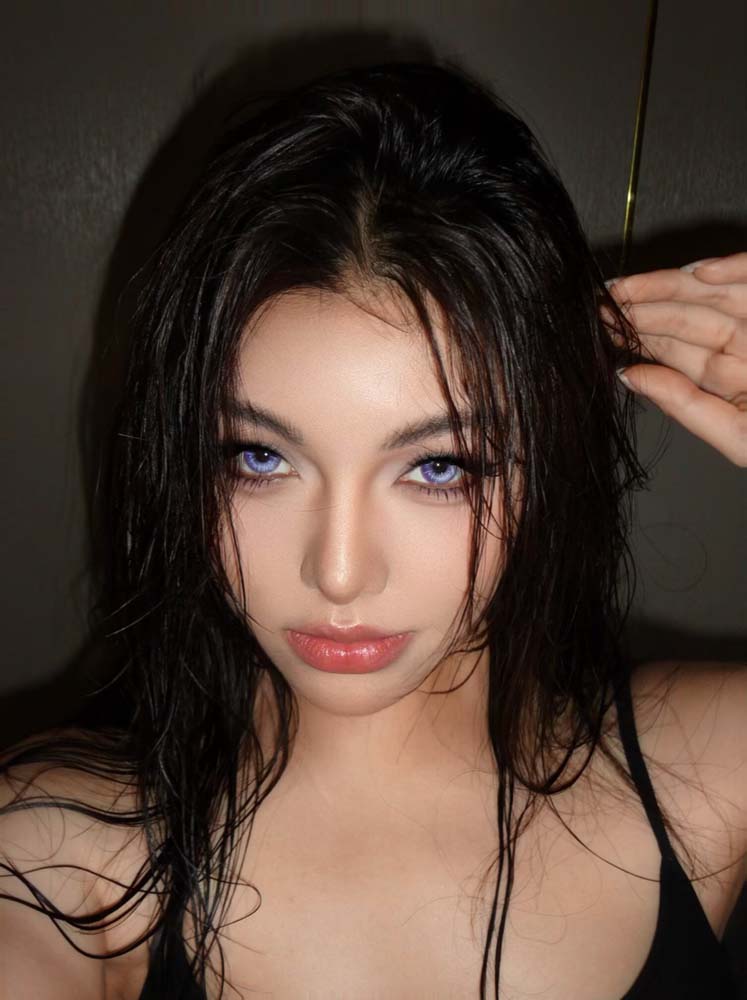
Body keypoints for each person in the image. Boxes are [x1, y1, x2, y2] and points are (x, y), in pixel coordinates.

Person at [0, 58, 745, 1000]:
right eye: (259, 458)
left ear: (549, 463)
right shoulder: (58, 858)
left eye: (438, 467)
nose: (339, 572)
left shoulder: (710, 771)